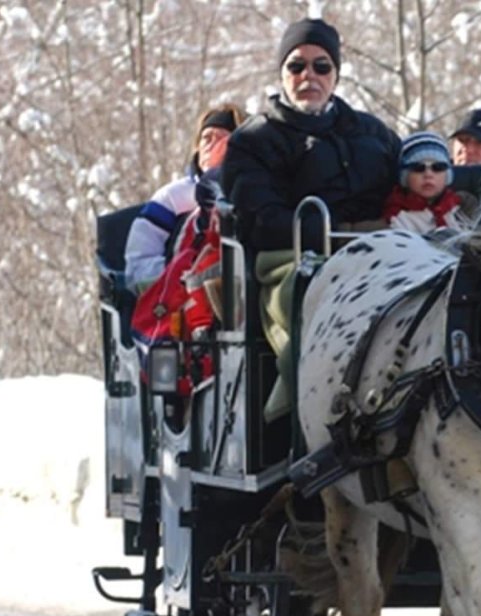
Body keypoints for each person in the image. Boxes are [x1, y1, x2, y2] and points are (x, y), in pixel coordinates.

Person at [221, 17, 402, 421]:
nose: (309, 76)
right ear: (282, 73)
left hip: (386, 253)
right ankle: (302, 437)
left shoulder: (374, 134)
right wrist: (342, 235)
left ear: (336, 75)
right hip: (291, 262)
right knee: (323, 303)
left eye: (322, 66)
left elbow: (411, 184)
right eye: (296, 66)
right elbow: (261, 219)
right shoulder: (254, 141)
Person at [123, 105, 241, 294]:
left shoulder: (250, 191)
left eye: (221, 138)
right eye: (207, 138)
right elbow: (139, 262)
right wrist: (179, 278)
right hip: (176, 297)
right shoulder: (172, 197)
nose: (212, 144)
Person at [383, 131, 476, 234]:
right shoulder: (395, 218)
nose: (428, 174)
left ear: (448, 175)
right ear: (405, 176)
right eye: (418, 168)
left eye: (438, 167)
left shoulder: (462, 207)